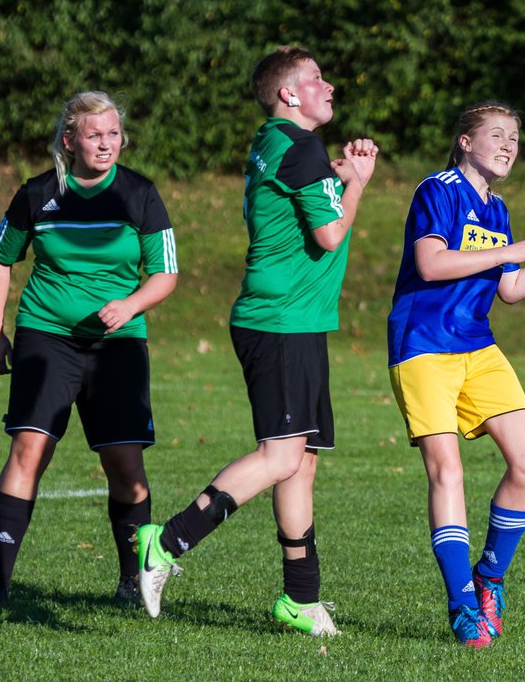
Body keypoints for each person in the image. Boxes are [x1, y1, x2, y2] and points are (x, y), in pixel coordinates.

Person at [135, 46, 377, 635]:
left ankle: (300, 598)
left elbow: (305, 194)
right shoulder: (299, 146)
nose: (329, 86)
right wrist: (360, 183)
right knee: (282, 456)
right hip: (279, 322)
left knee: (302, 464)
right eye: (316, 79)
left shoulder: (280, 143)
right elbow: (327, 233)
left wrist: (339, 174)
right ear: (288, 95)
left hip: (295, 321)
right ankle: (165, 542)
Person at [386, 101, 525, 648]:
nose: (509, 145)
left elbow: (511, 289)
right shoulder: (436, 189)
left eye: (515, 139)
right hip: (423, 346)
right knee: (447, 471)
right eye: (497, 135)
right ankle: (461, 606)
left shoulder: (497, 209)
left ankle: (489, 578)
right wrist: (508, 251)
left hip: (477, 345)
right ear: (464, 141)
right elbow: (431, 264)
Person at [0, 91, 179, 607]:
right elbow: (1, 259)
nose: (106, 144)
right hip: (46, 337)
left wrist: (132, 304)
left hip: (118, 346)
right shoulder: (38, 193)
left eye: (113, 134)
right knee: (29, 450)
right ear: (69, 141)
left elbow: (165, 273)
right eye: (94, 135)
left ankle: (132, 583)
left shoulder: (139, 194)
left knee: (125, 464)